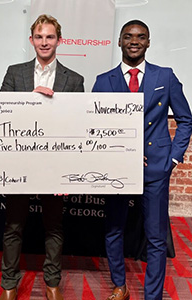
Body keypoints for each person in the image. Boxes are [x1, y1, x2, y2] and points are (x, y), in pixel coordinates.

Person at [92, 20, 192, 300]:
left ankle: (153, 295)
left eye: (141, 37)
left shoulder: (165, 77)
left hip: (157, 168)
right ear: (120, 41)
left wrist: (172, 159)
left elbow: (185, 119)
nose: (134, 41)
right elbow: (94, 127)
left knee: (156, 237)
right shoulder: (103, 81)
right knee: (114, 230)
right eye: (128, 36)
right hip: (116, 170)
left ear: (148, 42)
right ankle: (120, 286)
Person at [0, 14, 84, 300]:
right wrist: (30, 100)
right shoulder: (15, 73)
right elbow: (2, 117)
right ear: (31, 40)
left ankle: (52, 282)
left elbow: (76, 127)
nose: (44, 42)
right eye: (39, 36)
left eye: (50, 37)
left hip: (55, 164)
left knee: (54, 226)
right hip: (19, 162)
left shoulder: (74, 80)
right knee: (13, 226)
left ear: (59, 40)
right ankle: (9, 284)